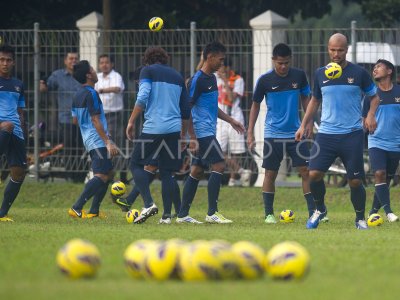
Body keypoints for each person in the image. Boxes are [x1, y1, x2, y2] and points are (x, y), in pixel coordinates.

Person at [295, 33, 380, 230]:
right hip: (326, 134)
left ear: (346, 49)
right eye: (333, 50)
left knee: (356, 180)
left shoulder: (359, 73)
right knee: (313, 174)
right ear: (328, 49)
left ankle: (359, 218)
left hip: (352, 134)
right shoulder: (320, 73)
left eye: (340, 50)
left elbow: (374, 97)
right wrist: (303, 124)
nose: (336, 54)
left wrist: (370, 115)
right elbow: (315, 101)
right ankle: (320, 209)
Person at [176, 41, 245, 224]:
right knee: (220, 165)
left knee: (197, 170)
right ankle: (212, 213)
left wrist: (231, 121)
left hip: (208, 130)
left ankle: (182, 215)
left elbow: (213, 108)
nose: (222, 64)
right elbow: (187, 108)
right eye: (220, 60)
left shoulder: (212, 79)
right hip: (202, 132)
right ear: (210, 57)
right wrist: (193, 138)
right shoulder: (197, 80)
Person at [247, 43, 315, 224]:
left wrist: (308, 123)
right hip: (273, 133)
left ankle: (313, 212)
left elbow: (306, 99)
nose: (283, 66)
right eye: (279, 63)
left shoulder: (299, 76)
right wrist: (250, 132)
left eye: (286, 63)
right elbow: (255, 105)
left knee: (306, 171)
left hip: (296, 133)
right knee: (270, 173)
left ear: (290, 60)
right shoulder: (264, 80)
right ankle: (269, 214)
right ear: (273, 61)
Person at [126, 47, 190, 224]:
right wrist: (183, 135)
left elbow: (143, 96)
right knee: (167, 172)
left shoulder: (148, 71)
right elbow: (185, 109)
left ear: (147, 60)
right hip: (174, 129)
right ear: (165, 59)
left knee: (135, 163)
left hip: (154, 127)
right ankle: (167, 217)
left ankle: (148, 204)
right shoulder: (178, 76)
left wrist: (131, 121)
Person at [68, 60, 118, 219]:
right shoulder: (92, 93)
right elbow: (96, 120)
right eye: (92, 69)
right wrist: (107, 141)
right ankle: (76, 207)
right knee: (102, 176)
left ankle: (94, 211)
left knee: (109, 173)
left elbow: (75, 120)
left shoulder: (76, 95)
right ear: (89, 75)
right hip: (98, 140)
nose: (95, 71)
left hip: (88, 139)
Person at [362, 59, 399, 222]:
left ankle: (373, 212)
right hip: (376, 141)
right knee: (379, 173)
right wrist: (367, 124)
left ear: (389, 71)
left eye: (378, 67)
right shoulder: (370, 96)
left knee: (386, 178)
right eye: (374, 68)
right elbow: (363, 120)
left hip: (396, 143)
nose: (374, 70)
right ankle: (389, 212)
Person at [40, 51, 85, 181]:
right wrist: (42, 86)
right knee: (69, 146)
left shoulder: (82, 75)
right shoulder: (57, 75)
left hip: (83, 118)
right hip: (65, 117)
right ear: (65, 61)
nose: (73, 61)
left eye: (76, 58)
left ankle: (80, 176)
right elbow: (46, 88)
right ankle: (70, 175)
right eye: (71, 58)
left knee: (80, 147)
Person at [0, 44, 27, 222]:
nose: (5, 63)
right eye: (1, 60)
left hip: (16, 131)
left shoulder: (18, 85)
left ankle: (2, 213)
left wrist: (24, 134)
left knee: (18, 173)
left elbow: (20, 111)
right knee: (8, 125)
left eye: (8, 60)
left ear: (13, 62)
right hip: (3, 127)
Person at [215, 59, 250, 187]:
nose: (218, 69)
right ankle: (242, 171)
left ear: (228, 68)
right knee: (218, 149)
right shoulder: (215, 78)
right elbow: (198, 71)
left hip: (235, 117)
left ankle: (232, 179)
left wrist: (225, 81)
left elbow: (231, 98)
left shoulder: (238, 80)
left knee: (235, 151)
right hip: (220, 119)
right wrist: (202, 59)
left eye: (221, 66)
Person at [95, 54, 127, 183]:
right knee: (103, 145)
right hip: (101, 117)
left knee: (116, 145)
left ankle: (122, 175)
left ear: (111, 64)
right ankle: (107, 174)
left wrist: (101, 91)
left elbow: (117, 88)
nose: (104, 65)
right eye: (101, 62)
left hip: (114, 115)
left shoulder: (116, 76)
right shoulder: (97, 77)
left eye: (106, 62)